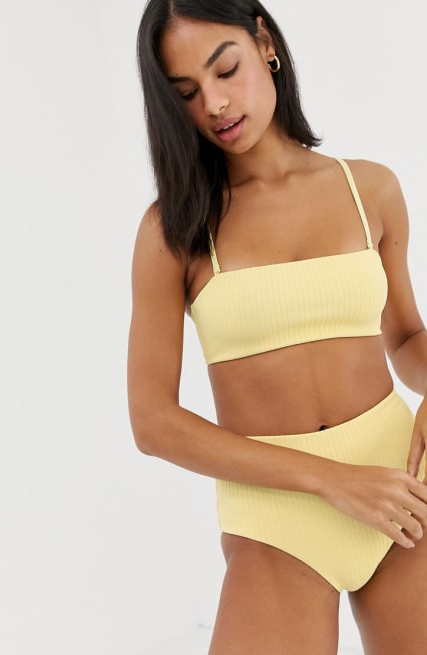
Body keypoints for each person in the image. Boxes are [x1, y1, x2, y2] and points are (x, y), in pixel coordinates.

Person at [127, 1, 427, 653]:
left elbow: (405, 339)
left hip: (400, 482)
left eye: (224, 69)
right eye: (186, 93)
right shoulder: (174, 229)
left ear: (263, 42)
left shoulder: (369, 188)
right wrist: (330, 478)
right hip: (276, 514)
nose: (214, 104)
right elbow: (152, 422)